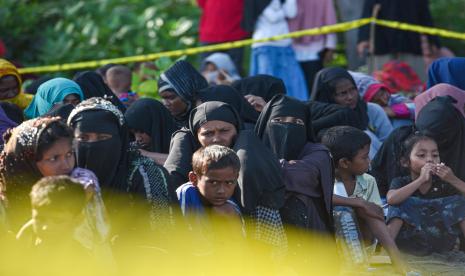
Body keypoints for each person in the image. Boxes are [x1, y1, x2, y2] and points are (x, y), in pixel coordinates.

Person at [165, 101, 287, 248]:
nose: (216, 139)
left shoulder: (252, 163)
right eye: (208, 133)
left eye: (224, 131)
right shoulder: (186, 190)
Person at [67, 97, 173, 230]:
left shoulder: (147, 174)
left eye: (102, 138)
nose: (93, 145)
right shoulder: (62, 176)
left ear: (119, 139)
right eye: (83, 138)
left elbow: (161, 235)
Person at [0, 117, 109, 241]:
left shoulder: (78, 180)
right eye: (54, 158)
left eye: (69, 154)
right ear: (27, 161)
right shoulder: (4, 200)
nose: (66, 165)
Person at [321, 126, 406, 273]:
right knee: (347, 211)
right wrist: (357, 202)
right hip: (331, 242)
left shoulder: (368, 180)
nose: (369, 160)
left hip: (363, 241)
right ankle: (355, 264)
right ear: (345, 163)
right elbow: (321, 197)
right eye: (364, 157)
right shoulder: (324, 179)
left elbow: (377, 213)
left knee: (367, 209)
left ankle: (397, 260)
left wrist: (364, 206)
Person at [255, 94, 334, 235]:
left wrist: (269, 167)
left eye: (297, 122)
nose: (287, 127)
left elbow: (301, 176)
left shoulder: (318, 151)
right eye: (278, 120)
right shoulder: (253, 147)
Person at [386, 133, 465, 255]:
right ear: (405, 162)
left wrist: (452, 179)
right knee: (400, 202)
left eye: (435, 155)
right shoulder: (401, 181)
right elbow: (391, 199)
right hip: (411, 241)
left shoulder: (445, 183)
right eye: (421, 155)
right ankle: (386, 251)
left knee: (460, 202)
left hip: (441, 240)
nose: (430, 159)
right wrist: (421, 180)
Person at [312, 67, 393, 159]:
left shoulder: (372, 110)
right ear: (328, 96)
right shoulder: (320, 120)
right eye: (343, 93)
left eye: (353, 89)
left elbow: (390, 144)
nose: (350, 97)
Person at [357, 0, 440, 81]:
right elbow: (367, 13)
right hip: (383, 45)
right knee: (381, 82)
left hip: (410, 44)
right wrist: (363, 38)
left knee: (415, 82)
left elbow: (425, 15)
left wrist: (432, 40)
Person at [245, 0, 308, 101]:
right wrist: (284, 11)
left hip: (285, 44)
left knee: (293, 80)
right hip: (265, 45)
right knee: (266, 82)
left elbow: (292, 13)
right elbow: (273, 17)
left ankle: (295, 108)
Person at [177, 145, 243, 233]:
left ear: (236, 179)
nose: (221, 191)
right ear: (194, 178)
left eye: (229, 183)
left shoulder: (231, 208)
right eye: (214, 183)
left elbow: (240, 243)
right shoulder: (186, 193)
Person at [287, 0, 337, 96]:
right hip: (290, 49)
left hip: (315, 50)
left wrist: (330, 47)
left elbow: (330, 20)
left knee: (314, 88)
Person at [197, 0, 249, 74]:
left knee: (233, 75)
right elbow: (201, 3)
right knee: (206, 75)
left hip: (235, 34)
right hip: (210, 34)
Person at [350, 71, 415, 128]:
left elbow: (417, 108)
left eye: (382, 93)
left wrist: (395, 111)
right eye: (376, 100)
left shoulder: (394, 100)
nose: (384, 100)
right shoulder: (368, 114)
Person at [124, 98, 177, 165]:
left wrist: (146, 154)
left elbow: (183, 161)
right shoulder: (136, 148)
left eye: (141, 131)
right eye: (133, 133)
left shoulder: (183, 139)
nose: (138, 139)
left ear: (156, 125)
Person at [158, 60, 208, 128]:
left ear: (187, 94)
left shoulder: (211, 118)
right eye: (163, 98)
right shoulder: (164, 124)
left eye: (171, 97)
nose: (165, 103)